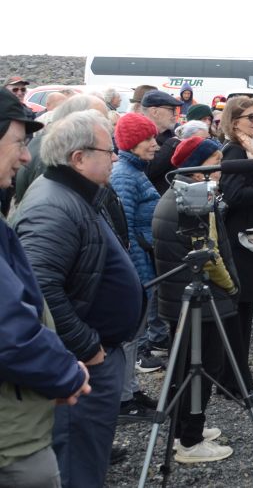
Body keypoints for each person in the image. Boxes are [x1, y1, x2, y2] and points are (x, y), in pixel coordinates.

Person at [14, 110, 142, 487]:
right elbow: (37, 287)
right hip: (83, 361)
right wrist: (87, 346)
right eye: (109, 150)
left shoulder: (73, 194)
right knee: (76, 461)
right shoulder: (54, 205)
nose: (116, 157)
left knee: (88, 454)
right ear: (79, 158)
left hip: (94, 355)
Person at [0, 89, 93, 487]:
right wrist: (65, 371)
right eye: (19, 143)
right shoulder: (50, 204)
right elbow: (10, 328)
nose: (25, 157)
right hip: (12, 438)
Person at [150, 136, 236, 462]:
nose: (219, 170)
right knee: (201, 367)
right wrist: (230, 287)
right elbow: (209, 255)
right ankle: (191, 440)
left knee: (184, 366)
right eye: (214, 161)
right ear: (199, 169)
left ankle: (180, 429)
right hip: (199, 301)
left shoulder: (175, 193)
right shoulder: (192, 200)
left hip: (179, 300)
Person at [217, 96, 253, 403]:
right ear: (234, 121)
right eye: (250, 118)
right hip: (240, 242)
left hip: (248, 240)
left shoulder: (250, 149)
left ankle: (231, 378)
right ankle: (237, 382)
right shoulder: (236, 151)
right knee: (238, 315)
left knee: (243, 313)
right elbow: (234, 195)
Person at [109, 113, 169, 389]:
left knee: (137, 332)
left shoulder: (135, 172)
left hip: (146, 261)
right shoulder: (124, 175)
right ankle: (124, 397)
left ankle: (129, 391)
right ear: (131, 143)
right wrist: (142, 276)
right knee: (131, 334)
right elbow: (126, 230)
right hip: (139, 265)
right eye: (148, 138)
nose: (155, 144)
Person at [141, 90, 183, 194]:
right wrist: (172, 144)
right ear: (155, 112)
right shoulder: (137, 136)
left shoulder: (173, 134)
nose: (175, 115)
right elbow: (146, 170)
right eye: (172, 110)